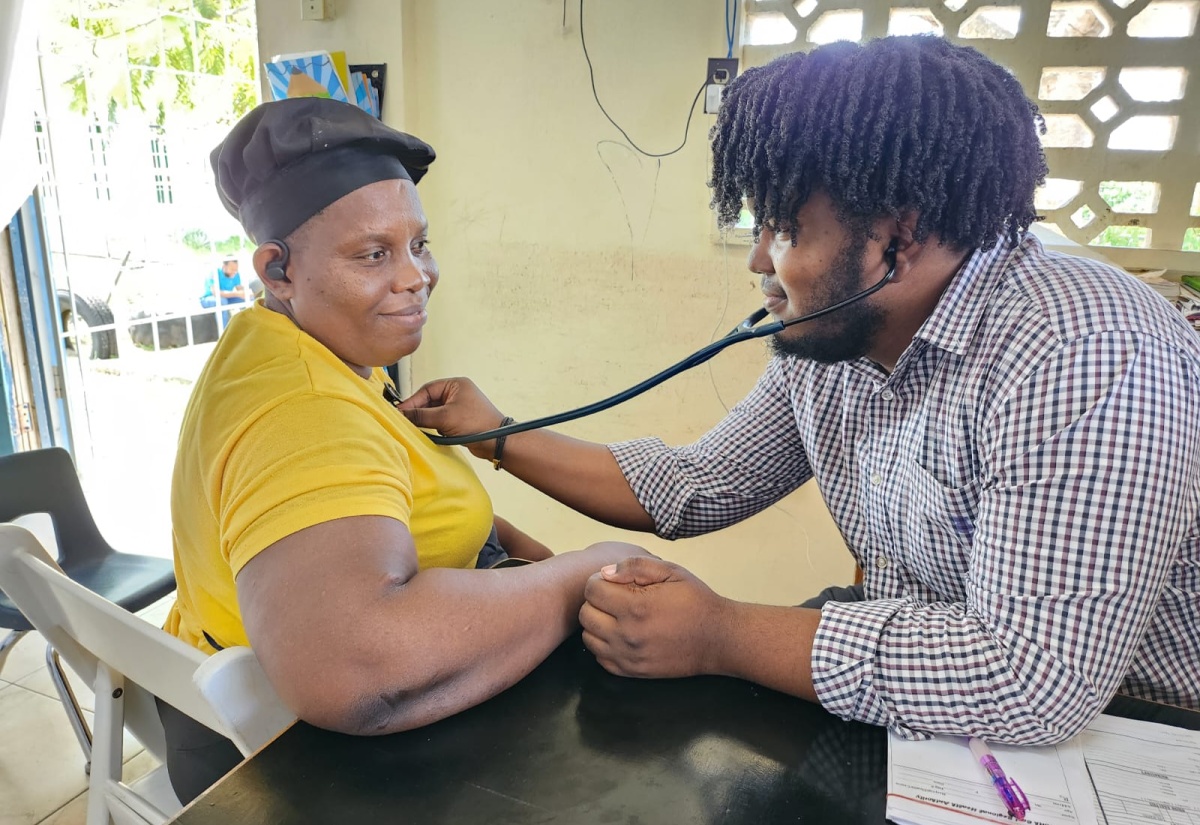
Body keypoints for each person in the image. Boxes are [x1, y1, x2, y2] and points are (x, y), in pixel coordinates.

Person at [400, 36, 1200, 745]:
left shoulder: (1086, 352)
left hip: (1135, 733)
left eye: (784, 231)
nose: (758, 266)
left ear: (899, 235)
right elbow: (695, 487)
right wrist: (493, 431)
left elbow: (1027, 679)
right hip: (938, 709)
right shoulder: (840, 339)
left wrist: (719, 633)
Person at [161, 96, 646, 804]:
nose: (415, 275)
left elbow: (413, 510)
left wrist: (537, 565)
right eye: (373, 254)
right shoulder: (303, 407)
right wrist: (578, 576)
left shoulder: (298, 344)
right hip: (281, 763)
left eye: (418, 244)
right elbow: (353, 668)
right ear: (278, 269)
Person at [200, 257, 250, 327]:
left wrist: (247, 292)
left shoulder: (235, 274)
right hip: (209, 299)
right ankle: (224, 331)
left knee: (248, 299)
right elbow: (215, 293)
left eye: (236, 270)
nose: (234, 272)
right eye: (232, 269)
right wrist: (237, 293)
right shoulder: (214, 273)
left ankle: (247, 327)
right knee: (221, 301)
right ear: (224, 266)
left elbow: (239, 288)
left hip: (227, 298)